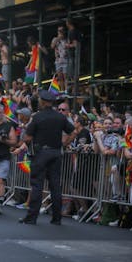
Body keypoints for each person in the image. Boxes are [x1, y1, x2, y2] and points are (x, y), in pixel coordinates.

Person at [18, 90, 75, 225]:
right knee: (55, 186)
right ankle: (57, 218)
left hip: (41, 153)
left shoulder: (38, 117)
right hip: (56, 153)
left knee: (37, 185)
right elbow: (73, 132)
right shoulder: (60, 117)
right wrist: (64, 144)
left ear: (42, 102)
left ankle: (32, 217)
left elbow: (27, 138)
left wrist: (26, 130)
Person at [51, 25, 69, 92]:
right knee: (60, 77)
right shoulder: (55, 39)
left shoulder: (66, 39)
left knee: (66, 76)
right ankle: (62, 90)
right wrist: (58, 38)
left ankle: (66, 90)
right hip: (58, 61)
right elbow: (52, 46)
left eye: (61, 30)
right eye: (59, 31)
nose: (60, 32)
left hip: (65, 60)